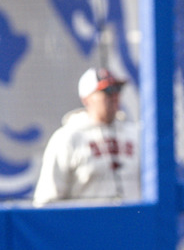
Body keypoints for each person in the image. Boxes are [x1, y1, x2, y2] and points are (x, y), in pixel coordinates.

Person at [33, 66, 139, 206]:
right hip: (87, 225)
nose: (114, 96)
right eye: (106, 91)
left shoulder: (136, 134)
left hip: (133, 224)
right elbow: (47, 200)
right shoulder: (68, 137)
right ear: (86, 99)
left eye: (117, 89)